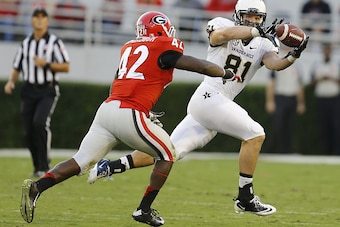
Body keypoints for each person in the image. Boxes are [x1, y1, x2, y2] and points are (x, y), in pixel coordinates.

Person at [88, 0, 309, 217]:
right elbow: (219, 36)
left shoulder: (263, 43)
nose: (253, 21)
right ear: (238, 15)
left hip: (217, 103)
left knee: (169, 151)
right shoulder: (222, 24)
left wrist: (293, 55)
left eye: (257, 17)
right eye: (249, 16)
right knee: (255, 134)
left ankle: (110, 166)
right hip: (209, 97)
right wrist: (253, 31)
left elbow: (274, 64)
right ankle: (245, 197)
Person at [19, 10, 240, 226]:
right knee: (168, 154)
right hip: (128, 111)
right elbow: (200, 66)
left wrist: (136, 109)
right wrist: (225, 73)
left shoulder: (130, 48)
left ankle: (37, 187)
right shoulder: (164, 48)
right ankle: (143, 209)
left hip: (108, 108)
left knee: (80, 160)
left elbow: (117, 81)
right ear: (160, 29)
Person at [4, 8, 70, 177]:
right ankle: (37, 166)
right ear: (32, 21)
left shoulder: (55, 42)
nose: (39, 20)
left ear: (47, 21)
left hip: (47, 89)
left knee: (40, 123)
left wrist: (46, 64)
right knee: (28, 130)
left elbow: (65, 66)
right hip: (28, 89)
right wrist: (11, 81)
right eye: (36, 17)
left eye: (43, 17)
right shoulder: (26, 43)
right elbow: (16, 66)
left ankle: (45, 163)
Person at [265, 57, 306, 154]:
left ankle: (286, 151)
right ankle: (272, 150)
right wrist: (270, 101)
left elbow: (299, 85)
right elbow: (271, 84)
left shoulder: (297, 67)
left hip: (292, 98)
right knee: (278, 125)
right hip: (280, 98)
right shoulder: (278, 64)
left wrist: (301, 103)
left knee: (289, 126)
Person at [310, 43, 340, 155]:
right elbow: (311, 83)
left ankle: (337, 151)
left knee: (336, 126)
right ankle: (325, 151)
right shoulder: (317, 65)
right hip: (322, 99)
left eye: (328, 51)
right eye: (325, 51)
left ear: (330, 52)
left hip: (334, 99)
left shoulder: (336, 64)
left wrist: (332, 78)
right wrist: (319, 79)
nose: (327, 53)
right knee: (324, 126)